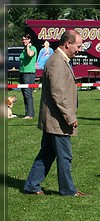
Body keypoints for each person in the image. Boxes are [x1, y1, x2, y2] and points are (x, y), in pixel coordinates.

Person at [24, 30, 88, 197]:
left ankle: (31, 185)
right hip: (57, 120)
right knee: (65, 156)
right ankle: (68, 190)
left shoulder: (59, 60)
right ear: (68, 44)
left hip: (53, 118)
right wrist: (70, 117)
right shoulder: (57, 62)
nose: (80, 49)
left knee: (46, 153)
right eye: (78, 46)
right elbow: (58, 94)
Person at [19, 33, 37, 119]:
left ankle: (30, 114)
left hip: (29, 74)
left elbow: (30, 55)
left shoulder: (32, 48)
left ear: (29, 40)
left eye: (26, 39)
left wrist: (28, 47)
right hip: (22, 73)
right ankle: (27, 113)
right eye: (23, 39)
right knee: (24, 94)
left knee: (28, 94)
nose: (24, 41)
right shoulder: (23, 49)